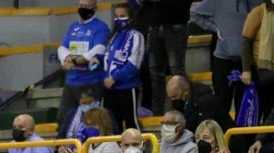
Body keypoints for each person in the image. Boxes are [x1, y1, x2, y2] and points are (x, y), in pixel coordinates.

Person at [190, 0, 256, 117]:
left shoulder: (257, 2)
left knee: (245, 107)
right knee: (221, 103)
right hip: (223, 59)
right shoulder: (217, 1)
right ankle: (221, 133)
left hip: (249, 61)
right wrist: (215, 28)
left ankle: (243, 134)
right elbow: (194, 13)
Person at [57, 0, 109, 131]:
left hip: (92, 81)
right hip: (72, 81)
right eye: (81, 6)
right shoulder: (73, 27)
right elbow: (63, 47)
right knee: (63, 117)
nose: (84, 8)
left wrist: (73, 61)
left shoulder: (101, 27)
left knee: (92, 118)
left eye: (87, 6)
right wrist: (67, 58)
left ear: (95, 8)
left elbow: (98, 49)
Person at [138, 0, 193, 114]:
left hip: (176, 23)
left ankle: (184, 111)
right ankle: (157, 113)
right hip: (154, 25)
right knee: (155, 74)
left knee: (177, 74)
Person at [103, 3, 146, 132]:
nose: (118, 19)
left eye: (122, 16)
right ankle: (117, 151)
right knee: (111, 125)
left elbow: (134, 65)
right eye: (116, 16)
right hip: (109, 88)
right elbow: (107, 61)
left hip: (127, 87)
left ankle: (139, 150)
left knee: (131, 122)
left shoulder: (137, 36)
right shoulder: (113, 37)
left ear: (131, 18)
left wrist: (114, 78)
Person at [165, 75, 232, 136]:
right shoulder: (183, 103)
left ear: (185, 90)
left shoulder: (206, 101)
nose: (173, 100)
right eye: (170, 98)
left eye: (175, 96)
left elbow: (204, 130)